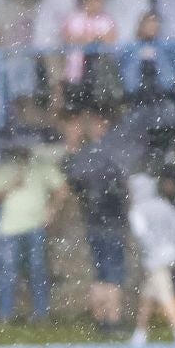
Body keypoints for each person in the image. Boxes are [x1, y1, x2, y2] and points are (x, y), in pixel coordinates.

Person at [64, 111, 133, 334]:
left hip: (93, 222)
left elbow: (74, 185)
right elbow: (124, 186)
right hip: (111, 222)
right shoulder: (111, 154)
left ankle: (99, 320)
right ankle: (112, 322)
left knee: (100, 274)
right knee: (113, 275)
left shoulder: (82, 156)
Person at [0, 143, 64, 322]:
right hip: (8, 228)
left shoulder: (42, 165)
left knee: (38, 271)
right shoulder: (4, 167)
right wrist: (11, 185)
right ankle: (5, 315)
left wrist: (52, 210)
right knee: (7, 272)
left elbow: (62, 190)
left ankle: (41, 314)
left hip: (35, 226)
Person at [129, 171, 175, 345]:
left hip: (155, 260)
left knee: (165, 294)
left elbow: (142, 236)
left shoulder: (138, 210)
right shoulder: (163, 205)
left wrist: (153, 254)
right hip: (170, 254)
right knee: (148, 294)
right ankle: (140, 332)